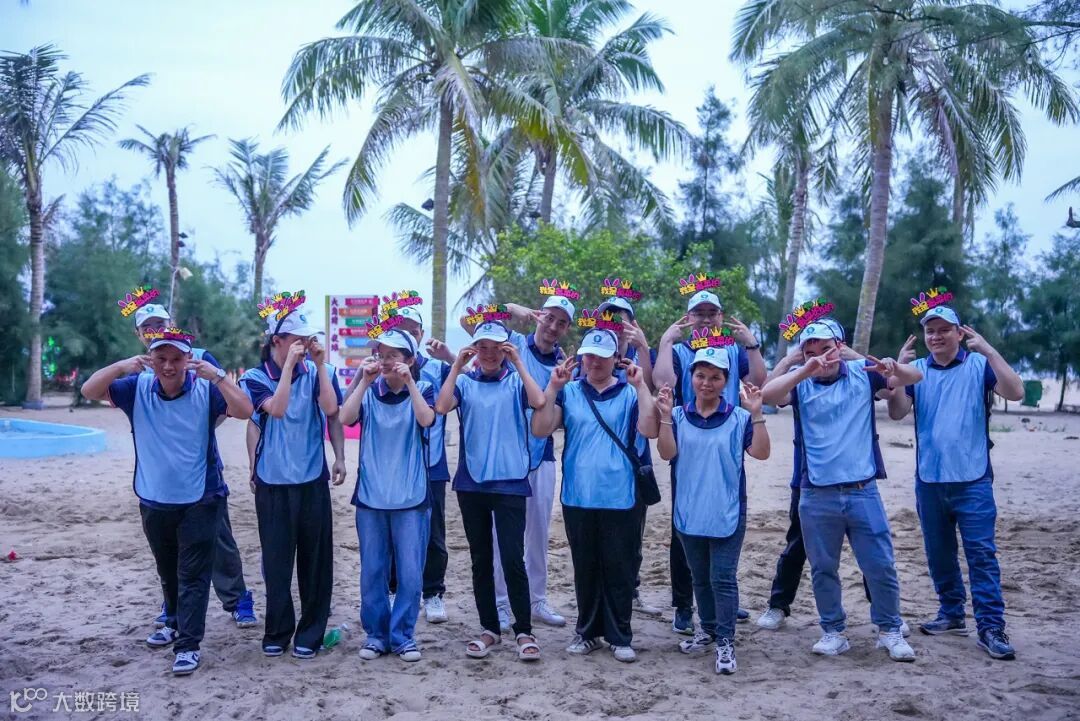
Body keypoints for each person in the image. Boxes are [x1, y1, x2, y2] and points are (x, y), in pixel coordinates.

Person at [81, 327, 254, 676]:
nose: (169, 366)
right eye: (161, 358)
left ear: (189, 359)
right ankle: (173, 621)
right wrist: (121, 367)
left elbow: (245, 409)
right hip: (154, 498)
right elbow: (89, 390)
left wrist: (218, 376)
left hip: (201, 497)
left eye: (176, 358)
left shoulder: (205, 388)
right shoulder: (137, 387)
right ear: (151, 359)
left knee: (193, 574)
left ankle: (188, 645)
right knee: (168, 571)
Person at [761, 321, 922, 661]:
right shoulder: (801, 383)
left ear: (841, 346)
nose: (821, 357)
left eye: (827, 349)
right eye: (811, 351)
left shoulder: (863, 373)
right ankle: (833, 631)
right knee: (823, 568)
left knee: (880, 565)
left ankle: (890, 630)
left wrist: (890, 366)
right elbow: (768, 396)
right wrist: (802, 366)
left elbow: (914, 377)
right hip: (816, 492)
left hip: (863, 490)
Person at [887, 306, 1023, 660]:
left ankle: (991, 627)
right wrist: (899, 373)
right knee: (939, 553)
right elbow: (897, 412)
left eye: (944, 329)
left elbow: (1016, 391)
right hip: (930, 478)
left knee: (981, 555)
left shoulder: (979, 365)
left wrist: (989, 350)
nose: (936, 336)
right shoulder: (917, 371)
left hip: (973, 479)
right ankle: (951, 613)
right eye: (930, 330)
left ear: (960, 333)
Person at [131, 301, 258, 631]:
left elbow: (226, 402)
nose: (154, 331)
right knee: (169, 546)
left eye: (160, 324)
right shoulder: (139, 368)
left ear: (171, 323)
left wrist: (197, 429)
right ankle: (173, 605)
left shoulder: (199, 356)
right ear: (139, 334)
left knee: (219, 536)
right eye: (147, 327)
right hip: (159, 479)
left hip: (202, 471)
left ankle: (237, 599)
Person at [531, 328, 654, 663]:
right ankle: (587, 632)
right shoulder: (570, 392)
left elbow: (649, 429)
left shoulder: (629, 393)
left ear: (616, 359)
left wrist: (641, 386)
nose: (594, 363)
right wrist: (552, 388)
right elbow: (541, 429)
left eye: (601, 357)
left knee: (620, 567)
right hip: (579, 493)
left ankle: (619, 635)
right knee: (585, 567)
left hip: (621, 494)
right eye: (589, 356)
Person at [652, 342, 771, 675]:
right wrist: (665, 417)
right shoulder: (678, 415)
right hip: (689, 511)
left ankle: (725, 641)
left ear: (725, 381)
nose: (707, 383)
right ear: (691, 377)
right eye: (701, 376)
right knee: (700, 578)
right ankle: (707, 629)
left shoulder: (739, 417)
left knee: (723, 578)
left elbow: (761, 453)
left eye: (715, 377)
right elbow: (666, 453)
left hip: (727, 511)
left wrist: (757, 413)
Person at [435, 319, 546, 661]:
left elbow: (539, 401)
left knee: (513, 559)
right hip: (472, 483)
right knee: (481, 560)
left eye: (496, 347)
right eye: (482, 347)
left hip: (511, 483)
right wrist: (456, 366)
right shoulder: (465, 382)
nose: (488, 353)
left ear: (505, 349)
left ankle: (524, 630)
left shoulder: (515, 381)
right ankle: (489, 629)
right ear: (474, 348)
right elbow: (441, 407)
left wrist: (520, 362)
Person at [464, 293, 574, 629]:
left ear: (567, 328)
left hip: (541, 455)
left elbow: (558, 409)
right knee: (502, 538)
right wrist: (510, 309)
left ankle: (537, 600)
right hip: (504, 459)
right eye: (549, 317)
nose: (552, 326)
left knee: (538, 533)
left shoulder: (564, 364)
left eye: (561, 322)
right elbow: (468, 323)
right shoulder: (511, 342)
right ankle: (500, 603)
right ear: (539, 316)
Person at [240, 303, 343, 659]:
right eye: (297, 340)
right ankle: (277, 632)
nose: (304, 345)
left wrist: (318, 365)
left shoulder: (319, 371)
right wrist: (287, 369)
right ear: (277, 341)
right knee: (277, 564)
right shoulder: (254, 378)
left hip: (312, 479)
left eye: (307, 339)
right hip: (272, 482)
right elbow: (277, 409)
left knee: (316, 564)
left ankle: (310, 635)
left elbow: (331, 411)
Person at [339, 328, 436, 662]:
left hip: (411, 497)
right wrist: (362, 380)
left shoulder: (424, 389)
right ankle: (376, 635)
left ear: (410, 359)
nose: (386, 360)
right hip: (371, 497)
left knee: (410, 572)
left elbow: (427, 419)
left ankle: (403, 635)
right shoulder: (368, 391)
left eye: (394, 354)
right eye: (381, 354)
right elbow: (345, 417)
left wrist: (410, 383)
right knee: (372, 571)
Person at [382, 306, 454, 624]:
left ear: (422, 334)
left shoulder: (437, 368)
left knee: (434, 532)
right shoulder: (384, 369)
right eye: (402, 330)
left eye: (414, 330)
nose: (409, 335)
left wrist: (451, 357)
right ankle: (393, 588)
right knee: (393, 531)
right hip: (395, 464)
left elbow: (469, 378)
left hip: (431, 463)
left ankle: (433, 592)